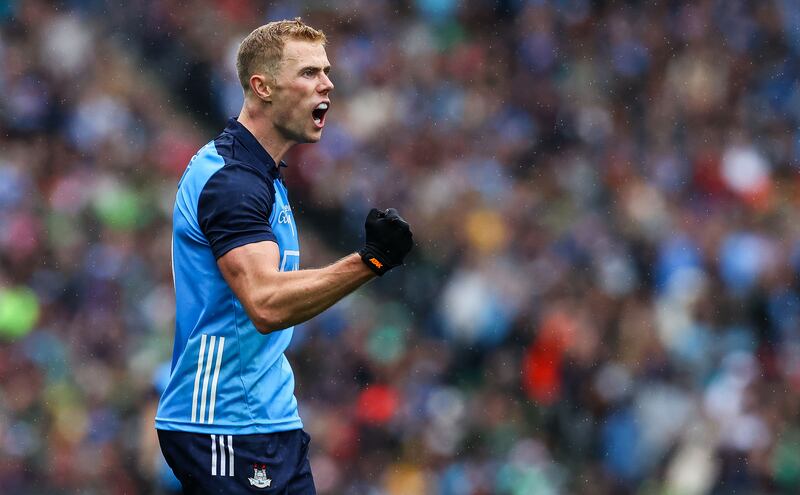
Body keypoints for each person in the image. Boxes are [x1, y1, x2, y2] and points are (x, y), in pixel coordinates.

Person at [154, 19, 413, 494]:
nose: (328, 83)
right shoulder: (233, 180)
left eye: (327, 71)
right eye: (309, 72)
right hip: (224, 424)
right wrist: (368, 261)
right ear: (263, 87)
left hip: (266, 422)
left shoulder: (259, 172)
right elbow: (266, 304)